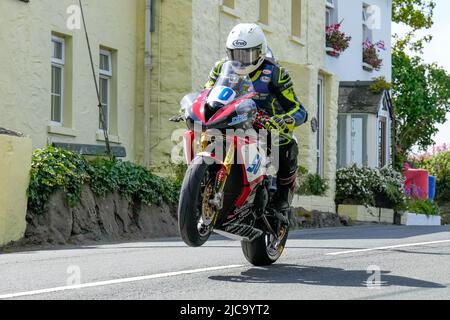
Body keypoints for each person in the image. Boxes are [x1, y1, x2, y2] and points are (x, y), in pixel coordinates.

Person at [205, 23, 308, 212]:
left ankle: (283, 197)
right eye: (236, 54)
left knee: (286, 144)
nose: (241, 60)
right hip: (231, 120)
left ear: (259, 52)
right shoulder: (220, 68)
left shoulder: (276, 73)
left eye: (247, 54)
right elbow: (207, 93)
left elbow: (298, 109)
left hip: (264, 127)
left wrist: (283, 120)